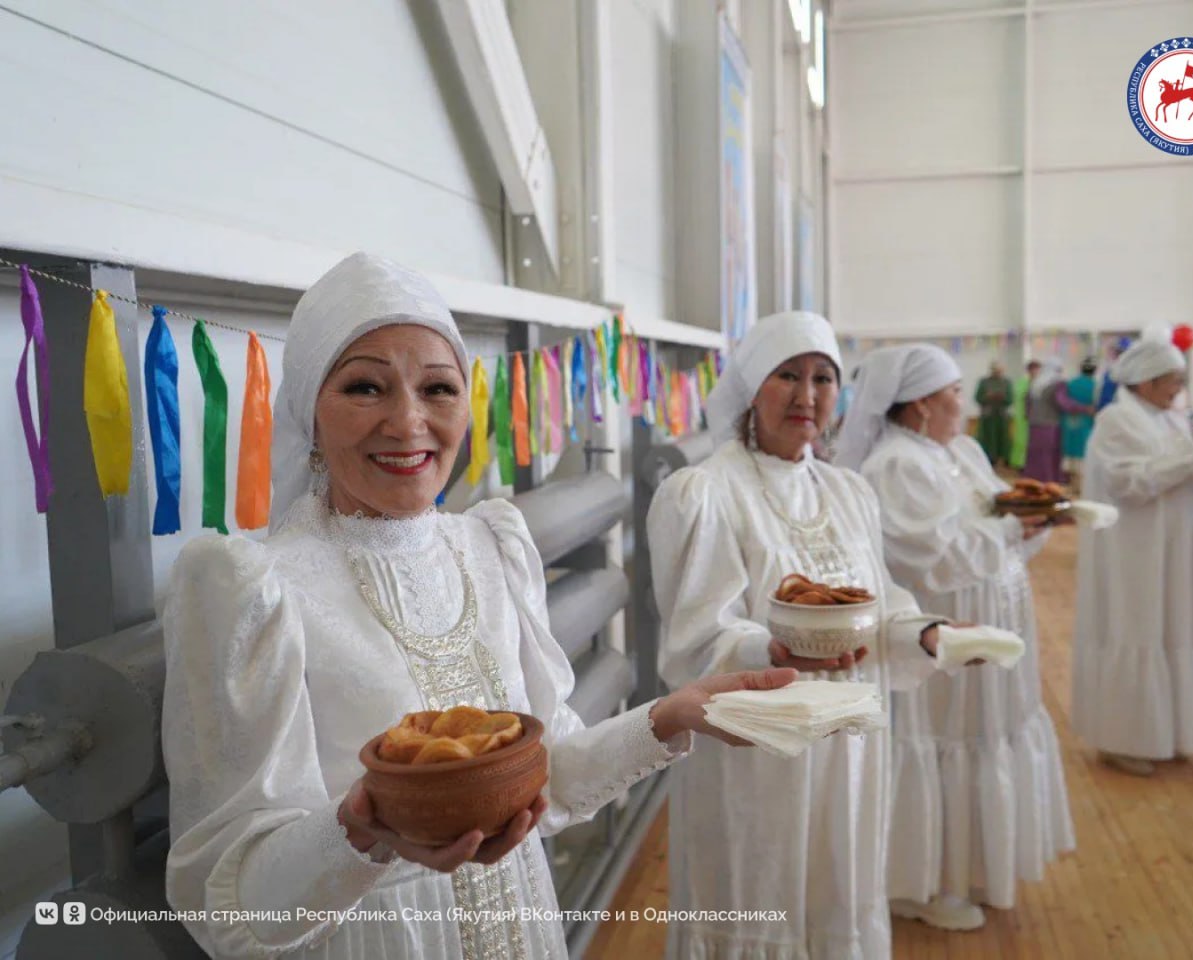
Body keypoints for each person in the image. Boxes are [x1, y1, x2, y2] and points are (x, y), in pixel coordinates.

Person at [161, 252, 797, 960]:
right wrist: (362, 831)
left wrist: (669, 717)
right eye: (366, 387)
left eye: (438, 389)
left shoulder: (490, 548)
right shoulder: (252, 589)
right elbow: (232, 893)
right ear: (309, 410)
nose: (408, 423)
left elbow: (543, 777)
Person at [648, 312, 951, 960]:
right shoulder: (704, 492)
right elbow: (695, 639)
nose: (807, 395)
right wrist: (771, 651)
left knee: (838, 886)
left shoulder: (849, 492)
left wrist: (922, 632)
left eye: (823, 378)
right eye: (788, 375)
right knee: (761, 888)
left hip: (850, 748)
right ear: (754, 386)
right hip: (758, 750)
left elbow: (881, 599)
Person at [840, 344, 1074, 932]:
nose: (962, 404)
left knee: (988, 732)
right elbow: (931, 558)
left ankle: (967, 867)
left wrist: (1031, 521)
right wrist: (1006, 529)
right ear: (920, 403)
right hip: (940, 633)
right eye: (953, 393)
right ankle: (916, 885)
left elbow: (999, 517)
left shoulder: (959, 450)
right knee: (938, 738)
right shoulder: (896, 465)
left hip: (992, 620)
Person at [1072, 334, 1193, 777]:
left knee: (1176, 628)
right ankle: (1124, 738)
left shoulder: (1169, 419)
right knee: (1137, 628)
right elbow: (1129, 484)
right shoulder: (1116, 421)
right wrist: (1191, 465)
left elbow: (1185, 476)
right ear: (1146, 381)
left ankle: (1173, 731)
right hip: (1137, 551)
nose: (1179, 389)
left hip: (1180, 549)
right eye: (1173, 380)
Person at [1022, 358, 1067, 483]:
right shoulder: (1057, 384)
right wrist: (1084, 408)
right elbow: (1062, 403)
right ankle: (1049, 480)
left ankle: (1033, 480)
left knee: (1035, 454)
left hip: (1034, 424)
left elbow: (1027, 402)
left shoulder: (1036, 383)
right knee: (1049, 455)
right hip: (1050, 425)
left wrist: (1029, 415)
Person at [1059, 358, 1099, 483]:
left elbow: (1064, 402)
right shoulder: (1095, 385)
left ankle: (1070, 481)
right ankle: (1080, 484)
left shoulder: (1071, 383)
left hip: (1069, 422)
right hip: (1086, 422)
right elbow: (1097, 405)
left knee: (1070, 449)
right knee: (1083, 450)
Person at [974, 362, 1014, 466]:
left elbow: (1010, 399)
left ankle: (1005, 459)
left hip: (1002, 415)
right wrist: (987, 397)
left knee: (1004, 438)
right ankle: (989, 459)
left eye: (999, 370)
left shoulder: (1006, 382)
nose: (997, 372)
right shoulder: (984, 382)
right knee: (988, 438)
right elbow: (977, 398)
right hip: (988, 416)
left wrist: (1002, 397)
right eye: (995, 370)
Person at [1009, 360, 1039, 471]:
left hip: (1035, 417)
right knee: (1021, 440)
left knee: (1033, 441)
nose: (1035, 372)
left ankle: (1032, 464)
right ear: (1029, 370)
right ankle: (1019, 463)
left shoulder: (1039, 382)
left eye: (1037, 370)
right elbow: (1018, 395)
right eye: (1034, 369)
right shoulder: (1022, 382)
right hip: (1022, 416)